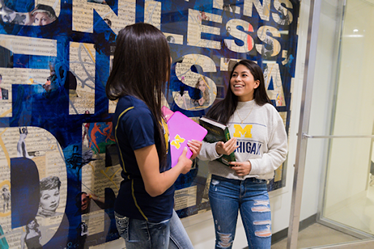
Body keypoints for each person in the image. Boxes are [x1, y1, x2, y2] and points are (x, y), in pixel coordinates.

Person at [105, 23, 202, 249]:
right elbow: (154, 185)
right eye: (164, 54)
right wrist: (182, 165)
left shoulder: (140, 104)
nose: (169, 61)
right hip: (145, 214)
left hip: (157, 209)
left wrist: (181, 149)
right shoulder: (137, 113)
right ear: (147, 59)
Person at [198, 60, 288, 249]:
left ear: (256, 83)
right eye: (234, 75)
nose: (237, 79)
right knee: (223, 244)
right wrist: (217, 150)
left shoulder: (268, 112)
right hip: (222, 186)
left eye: (243, 75)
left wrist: (252, 166)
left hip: (256, 187)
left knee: (261, 245)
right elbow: (199, 149)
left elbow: (280, 151)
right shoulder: (218, 110)